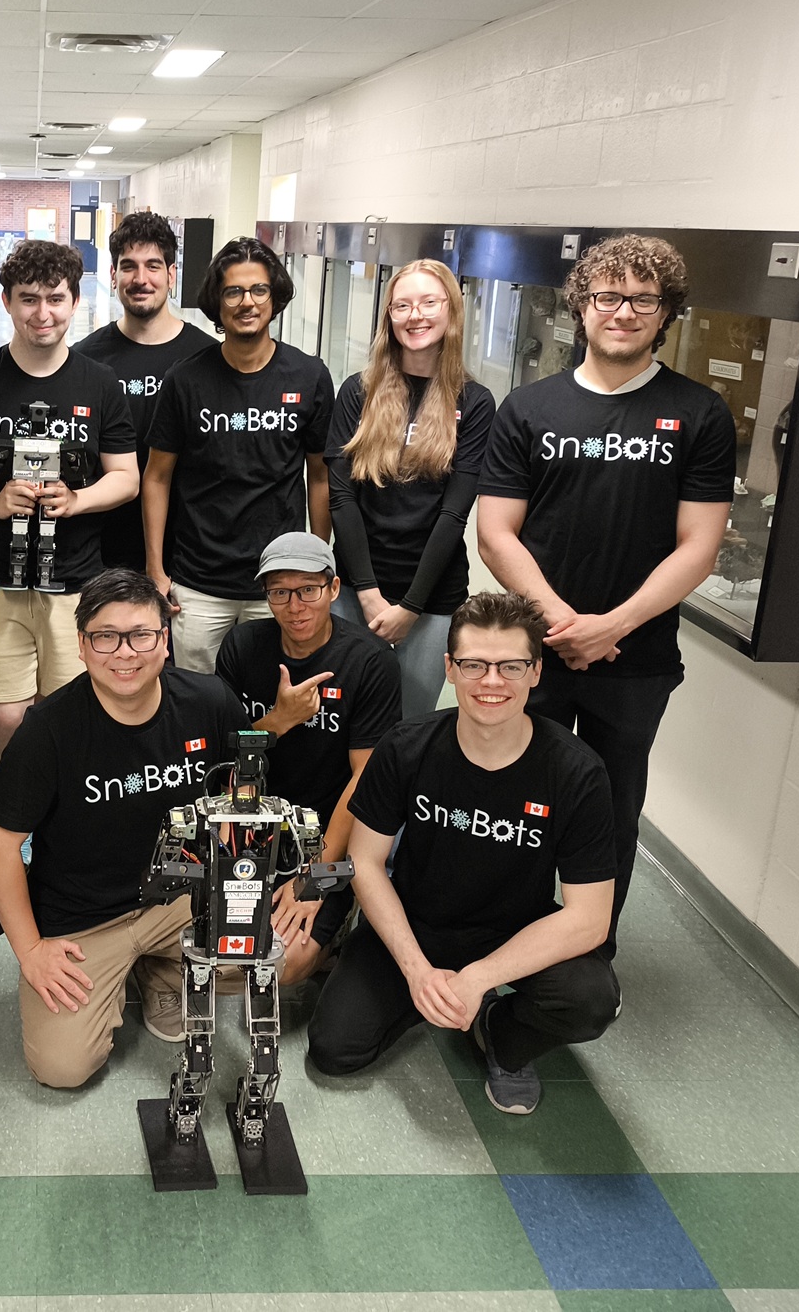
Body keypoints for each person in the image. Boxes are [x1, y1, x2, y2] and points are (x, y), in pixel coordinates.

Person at [476, 234, 735, 951]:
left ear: (664, 314)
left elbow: (699, 547)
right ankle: (508, 939)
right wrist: (562, 623)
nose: (622, 312)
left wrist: (611, 624)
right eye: (607, 296)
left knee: (612, 812)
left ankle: (588, 953)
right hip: (538, 653)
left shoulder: (698, 414)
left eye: (642, 300)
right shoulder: (528, 409)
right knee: (514, 800)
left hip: (637, 659)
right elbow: (496, 532)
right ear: (581, 308)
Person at [306, 592, 620, 1116]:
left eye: (510, 666)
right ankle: (432, 998)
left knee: (591, 1000)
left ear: (536, 672)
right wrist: (416, 972)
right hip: (417, 924)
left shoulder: (576, 772)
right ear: (450, 669)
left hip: (513, 930)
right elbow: (364, 861)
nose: (491, 682)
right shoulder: (406, 746)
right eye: (474, 664)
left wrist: (478, 978)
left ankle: (499, 1031)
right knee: (335, 1050)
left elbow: (589, 920)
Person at [0, 568, 249, 1089]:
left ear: (165, 642)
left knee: (271, 958)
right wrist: (31, 950)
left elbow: (240, 800)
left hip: (178, 899)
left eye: (141, 635)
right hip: (82, 918)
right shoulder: (48, 731)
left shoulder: (210, 703)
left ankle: (162, 971)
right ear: (81, 646)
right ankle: (127, 967)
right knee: (62, 1069)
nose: (124, 652)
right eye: (106, 636)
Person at [0, 239, 140, 771]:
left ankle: (62, 825)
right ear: (5, 301)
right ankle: (8, 823)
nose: (42, 314)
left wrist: (78, 500)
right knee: (8, 717)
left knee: (67, 710)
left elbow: (127, 477)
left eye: (55, 299)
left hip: (75, 578)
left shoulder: (100, 384)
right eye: (28, 299)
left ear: (74, 302)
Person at [215, 533, 402, 984]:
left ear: (334, 589)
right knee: (217, 950)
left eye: (308, 590)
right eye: (279, 591)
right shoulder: (242, 646)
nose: (294, 605)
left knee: (281, 967)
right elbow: (227, 756)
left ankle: (336, 925)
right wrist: (281, 719)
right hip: (252, 817)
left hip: (326, 830)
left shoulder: (370, 662)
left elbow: (365, 778)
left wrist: (316, 876)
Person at [144, 235, 334, 674]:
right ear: (217, 300)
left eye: (258, 290)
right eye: (233, 291)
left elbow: (319, 475)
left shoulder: (309, 375)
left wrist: (314, 563)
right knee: (199, 702)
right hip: (199, 582)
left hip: (280, 581)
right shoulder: (185, 380)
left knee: (272, 701)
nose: (247, 302)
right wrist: (157, 569)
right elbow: (157, 477)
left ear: (275, 297)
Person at [330, 259, 495, 717]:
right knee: (344, 721)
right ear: (389, 316)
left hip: (431, 599)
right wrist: (366, 592)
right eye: (402, 305)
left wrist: (410, 607)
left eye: (428, 302)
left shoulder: (474, 402)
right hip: (353, 591)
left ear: (451, 311)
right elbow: (341, 499)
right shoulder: (357, 393)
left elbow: (454, 513)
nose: (415, 315)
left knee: (409, 726)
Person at [74, 212, 219, 572]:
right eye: (128, 266)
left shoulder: (207, 360)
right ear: (112, 276)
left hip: (188, 555)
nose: (141, 279)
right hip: (100, 550)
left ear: (171, 275)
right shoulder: (83, 359)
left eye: (153, 266)